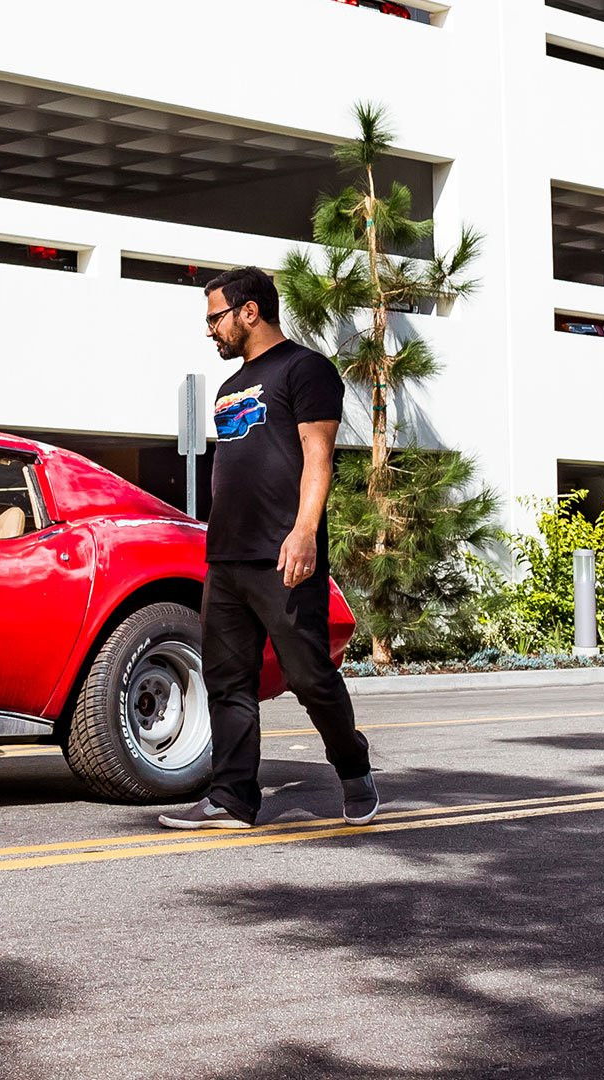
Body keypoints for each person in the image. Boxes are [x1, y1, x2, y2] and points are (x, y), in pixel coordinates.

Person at [159, 267, 380, 830]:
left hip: (283, 554)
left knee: (310, 676)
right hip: (226, 557)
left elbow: (318, 457)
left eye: (216, 317)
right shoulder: (232, 387)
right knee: (228, 681)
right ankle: (233, 798)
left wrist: (305, 531)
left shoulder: (306, 369)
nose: (210, 330)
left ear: (249, 311)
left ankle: (352, 767)